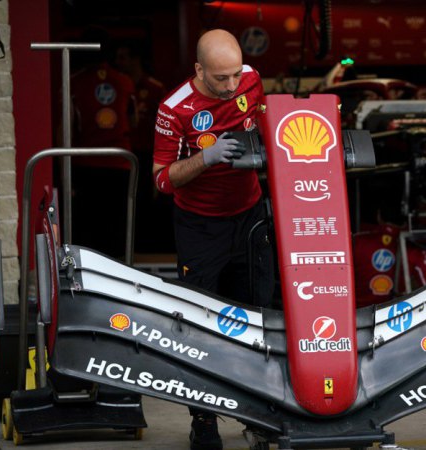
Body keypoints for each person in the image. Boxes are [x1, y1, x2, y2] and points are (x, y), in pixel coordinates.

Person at [152, 29, 273, 450]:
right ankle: (203, 419)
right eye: (221, 78)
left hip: (251, 217)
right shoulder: (174, 108)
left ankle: (260, 413)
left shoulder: (250, 79)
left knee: (258, 316)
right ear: (199, 70)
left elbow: (267, 123)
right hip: (200, 227)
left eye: (236, 75)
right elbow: (161, 179)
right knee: (200, 323)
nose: (231, 85)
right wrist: (205, 158)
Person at [70, 26, 137, 258]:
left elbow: (66, 129)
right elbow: (133, 120)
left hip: (85, 164)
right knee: (118, 226)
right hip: (121, 163)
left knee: (88, 228)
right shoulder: (125, 81)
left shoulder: (73, 82)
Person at [114, 41, 170, 253]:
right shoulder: (118, 85)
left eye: (123, 57)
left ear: (135, 59)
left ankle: (146, 248)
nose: (119, 62)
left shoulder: (155, 88)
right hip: (123, 154)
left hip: (148, 153)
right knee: (124, 201)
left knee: (147, 201)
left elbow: (167, 124)